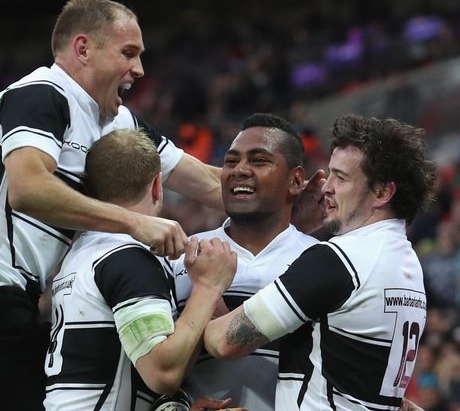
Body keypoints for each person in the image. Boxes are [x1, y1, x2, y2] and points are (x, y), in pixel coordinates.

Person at [0, 0, 226, 411]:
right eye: (128, 53)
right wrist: (134, 222)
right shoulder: (41, 93)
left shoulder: (120, 121)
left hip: (1, 310)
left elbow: (208, 182)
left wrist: (294, 200)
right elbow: (29, 188)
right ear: (83, 49)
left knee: (101, 371)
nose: (139, 70)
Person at [204, 114, 437, 410]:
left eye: (341, 177)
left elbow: (224, 341)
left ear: (382, 192)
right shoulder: (406, 264)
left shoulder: (340, 261)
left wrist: (208, 283)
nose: (326, 187)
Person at [43, 129, 237, 410]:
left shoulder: (80, 254)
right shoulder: (128, 256)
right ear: (157, 186)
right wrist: (207, 288)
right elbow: (162, 373)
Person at [172, 113, 320, 410]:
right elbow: (148, 364)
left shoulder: (322, 263)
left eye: (259, 160)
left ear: (296, 180)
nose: (239, 170)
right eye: (230, 161)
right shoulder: (182, 256)